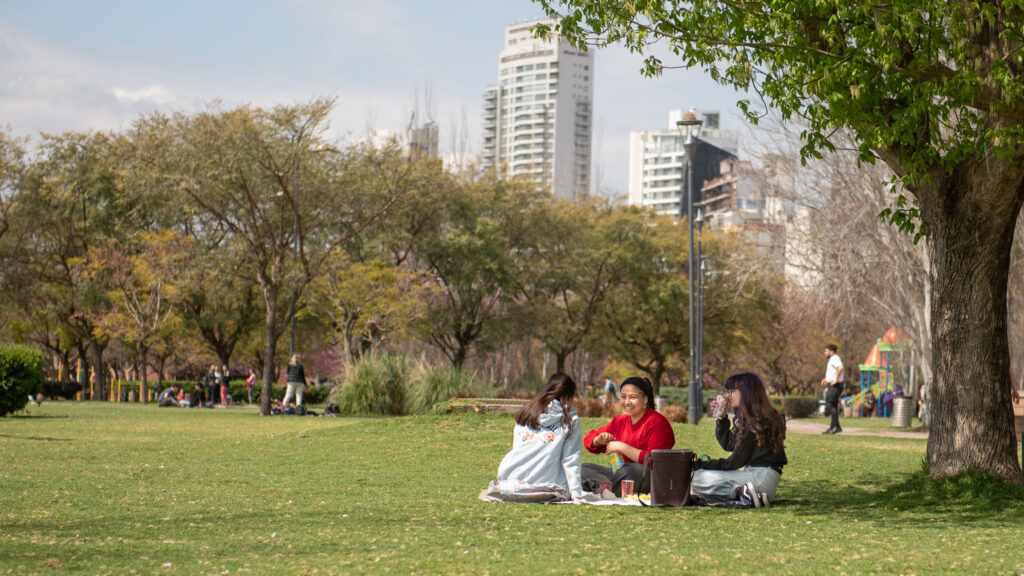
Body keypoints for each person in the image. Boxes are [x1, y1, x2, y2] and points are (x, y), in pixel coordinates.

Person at [481, 373, 584, 503]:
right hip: (547, 484)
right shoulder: (569, 419)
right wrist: (576, 494)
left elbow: (518, 447)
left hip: (511, 477)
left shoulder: (527, 412)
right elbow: (570, 459)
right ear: (568, 396)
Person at [690, 372, 787, 508]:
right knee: (699, 479)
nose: (728, 395)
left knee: (698, 478)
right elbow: (729, 444)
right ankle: (745, 494)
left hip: (760, 479)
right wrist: (722, 418)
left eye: (731, 391)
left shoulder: (753, 421)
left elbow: (733, 462)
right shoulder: (757, 416)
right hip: (760, 478)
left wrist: (699, 465)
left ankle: (740, 493)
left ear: (746, 392)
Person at [581, 376, 675, 497]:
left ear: (645, 399)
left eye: (633, 397)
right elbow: (588, 440)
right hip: (621, 474)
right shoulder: (619, 421)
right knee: (582, 469)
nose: (627, 402)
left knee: (630, 471)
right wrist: (597, 440)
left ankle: (605, 490)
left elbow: (655, 459)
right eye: (623, 397)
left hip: (648, 476)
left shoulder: (657, 422)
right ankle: (609, 491)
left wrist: (622, 447)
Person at [821, 344, 845, 434]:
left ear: (831, 351)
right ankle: (835, 427)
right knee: (833, 405)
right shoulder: (832, 359)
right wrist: (826, 379)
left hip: (835, 386)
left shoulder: (835, 358)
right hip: (832, 385)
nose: (825, 353)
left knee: (830, 405)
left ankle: (834, 427)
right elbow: (833, 371)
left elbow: (841, 368)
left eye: (826, 351)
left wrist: (836, 379)